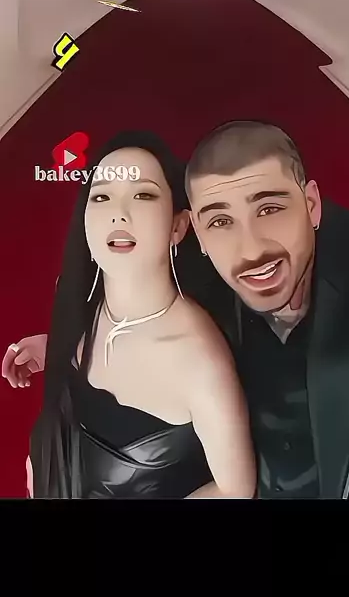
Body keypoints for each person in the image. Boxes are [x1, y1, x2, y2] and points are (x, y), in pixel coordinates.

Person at [5, 121, 349, 498]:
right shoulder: (203, 280)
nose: (250, 248)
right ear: (196, 232)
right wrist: (63, 345)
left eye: (269, 208)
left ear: (311, 204)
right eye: (221, 221)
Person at [8, 130, 255, 499]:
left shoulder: (200, 363)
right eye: (101, 196)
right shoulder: (79, 297)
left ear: (178, 226)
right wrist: (56, 348)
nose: (118, 214)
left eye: (143, 195)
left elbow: (235, 490)